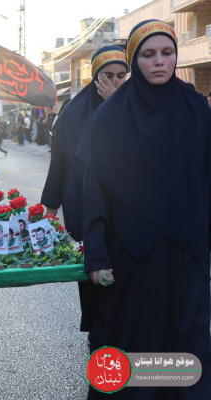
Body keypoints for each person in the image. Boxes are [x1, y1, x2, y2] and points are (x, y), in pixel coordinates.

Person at [77, 20, 211, 398]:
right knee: (135, 336)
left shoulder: (196, 109)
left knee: (185, 336)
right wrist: (96, 254)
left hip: (186, 252)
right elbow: (96, 191)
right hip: (132, 253)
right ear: (135, 60)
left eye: (167, 53)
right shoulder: (110, 117)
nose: (159, 62)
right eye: (148, 54)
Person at [41, 45, 128, 336]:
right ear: (95, 76)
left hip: (121, 202)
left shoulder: (134, 108)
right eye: (107, 76)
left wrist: (116, 105)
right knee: (89, 261)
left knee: (121, 263)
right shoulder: (73, 111)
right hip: (80, 199)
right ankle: (95, 325)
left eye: (121, 76)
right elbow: (59, 161)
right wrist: (51, 206)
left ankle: (120, 324)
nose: (114, 82)